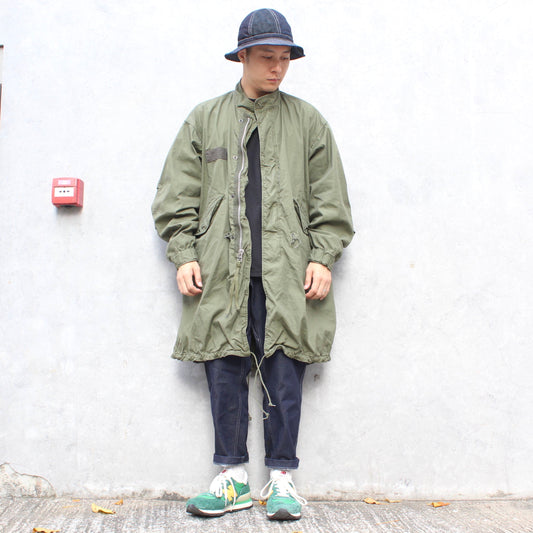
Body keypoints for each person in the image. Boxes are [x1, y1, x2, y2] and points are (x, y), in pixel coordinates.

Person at [151, 8, 354, 521]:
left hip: (288, 274)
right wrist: (184, 252)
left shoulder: (308, 122)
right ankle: (232, 479)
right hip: (221, 273)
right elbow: (176, 196)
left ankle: (282, 481)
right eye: (267, 57)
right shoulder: (205, 119)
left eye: (284, 58)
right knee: (223, 370)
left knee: (284, 373)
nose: (277, 67)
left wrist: (323, 256)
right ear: (242, 57)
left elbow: (331, 199)